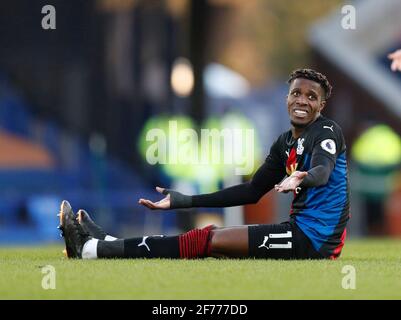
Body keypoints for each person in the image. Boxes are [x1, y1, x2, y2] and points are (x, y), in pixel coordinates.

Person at [59, 68, 349, 260]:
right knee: (207, 238)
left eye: (312, 97)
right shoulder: (285, 142)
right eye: (297, 93)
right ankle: (105, 243)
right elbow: (250, 191)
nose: (302, 100)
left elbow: (322, 172)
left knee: (207, 239)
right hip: (300, 232)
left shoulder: (326, 132)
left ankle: (91, 249)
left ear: (321, 106)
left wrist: (302, 177)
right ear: (287, 98)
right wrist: (185, 201)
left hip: (314, 242)